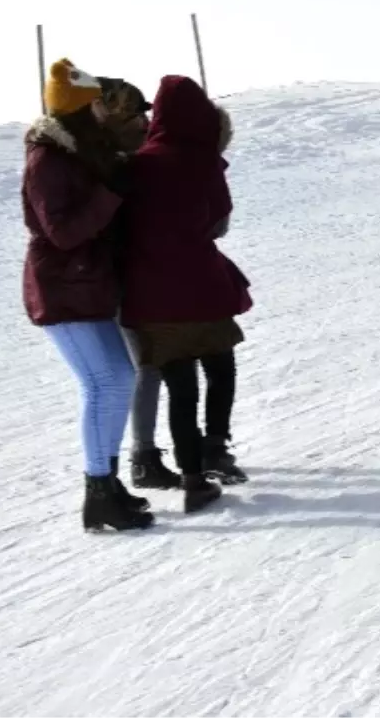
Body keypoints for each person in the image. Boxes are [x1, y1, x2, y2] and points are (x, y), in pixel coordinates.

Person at [21, 58, 154, 532]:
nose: (103, 109)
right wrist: (110, 194)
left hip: (88, 284)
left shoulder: (81, 152)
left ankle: (109, 483)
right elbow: (61, 232)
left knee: (118, 379)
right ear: (78, 109)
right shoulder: (48, 160)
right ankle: (99, 492)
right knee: (107, 382)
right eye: (96, 102)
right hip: (62, 287)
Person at [119, 74, 253, 513]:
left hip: (152, 295)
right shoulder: (203, 163)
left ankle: (193, 480)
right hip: (202, 286)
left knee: (180, 387)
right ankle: (216, 445)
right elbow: (219, 222)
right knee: (221, 368)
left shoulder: (136, 164)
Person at [97, 77, 184, 490]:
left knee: (142, 368)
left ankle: (137, 457)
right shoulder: (105, 163)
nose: (143, 121)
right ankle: (140, 458)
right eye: (135, 113)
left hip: (135, 274)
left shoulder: (129, 156)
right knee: (140, 368)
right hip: (116, 277)